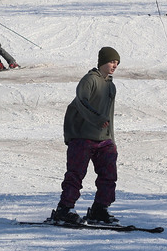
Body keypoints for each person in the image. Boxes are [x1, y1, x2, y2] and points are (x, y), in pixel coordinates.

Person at [47, 47, 121, 226]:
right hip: (82, 136)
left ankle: (99, 209)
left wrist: (111, 138)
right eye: (112, 62)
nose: (114, 66)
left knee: (109, 175)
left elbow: (108, 115)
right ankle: (65, 209)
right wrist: (97, 118)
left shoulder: (111, 85)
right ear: (102, 61)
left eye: (117, 63)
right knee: (76, 174)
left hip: (103, 139)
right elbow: (81, 102)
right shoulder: (89, 80)